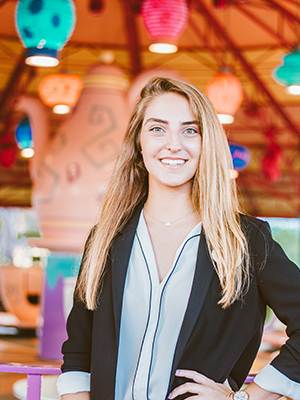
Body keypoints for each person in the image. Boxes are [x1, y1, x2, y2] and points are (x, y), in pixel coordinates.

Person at [57, 77, 300, 400]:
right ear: (138, 143)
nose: (173, 144)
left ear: (206, 143)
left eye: (190, 130)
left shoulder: (246, 241)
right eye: (157, 129)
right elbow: (78, 353)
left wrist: (245, 398)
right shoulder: (105, 239)